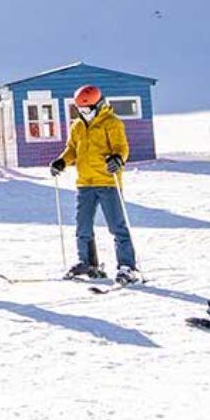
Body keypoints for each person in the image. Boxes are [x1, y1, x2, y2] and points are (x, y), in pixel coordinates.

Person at [49, 84, 139, 283]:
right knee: (83, 227)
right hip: (85, 183)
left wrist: (117, 159)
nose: (83, 113)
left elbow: (121, 147)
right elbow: (72, 149)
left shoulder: (112, 123)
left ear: (98, 105)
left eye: (87, 109)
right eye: (80, 110)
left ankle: (127, 267)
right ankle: (88, 264)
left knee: (117, 227)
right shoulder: (77, 126)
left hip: (108, 182)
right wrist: (62, 161)